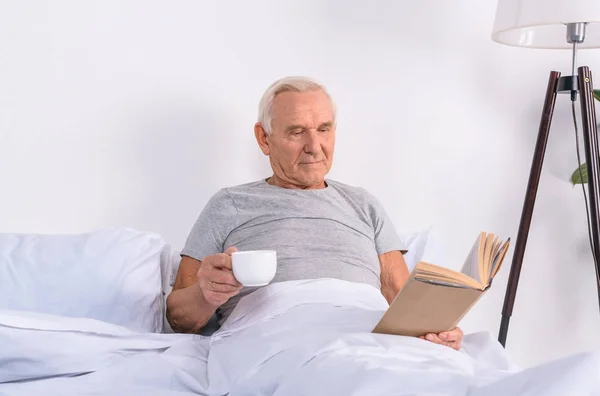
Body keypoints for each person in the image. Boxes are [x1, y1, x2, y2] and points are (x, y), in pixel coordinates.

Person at [166, 76, 464, 350]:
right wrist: (206, 293)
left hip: (364, 335)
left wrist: (437, 332)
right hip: (278, 335)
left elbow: (402, 302)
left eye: (324, 129)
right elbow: (179, 319)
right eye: (297, 132)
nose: (314, 147)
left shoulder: (363, 204)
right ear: (264, 138)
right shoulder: (229, 204)